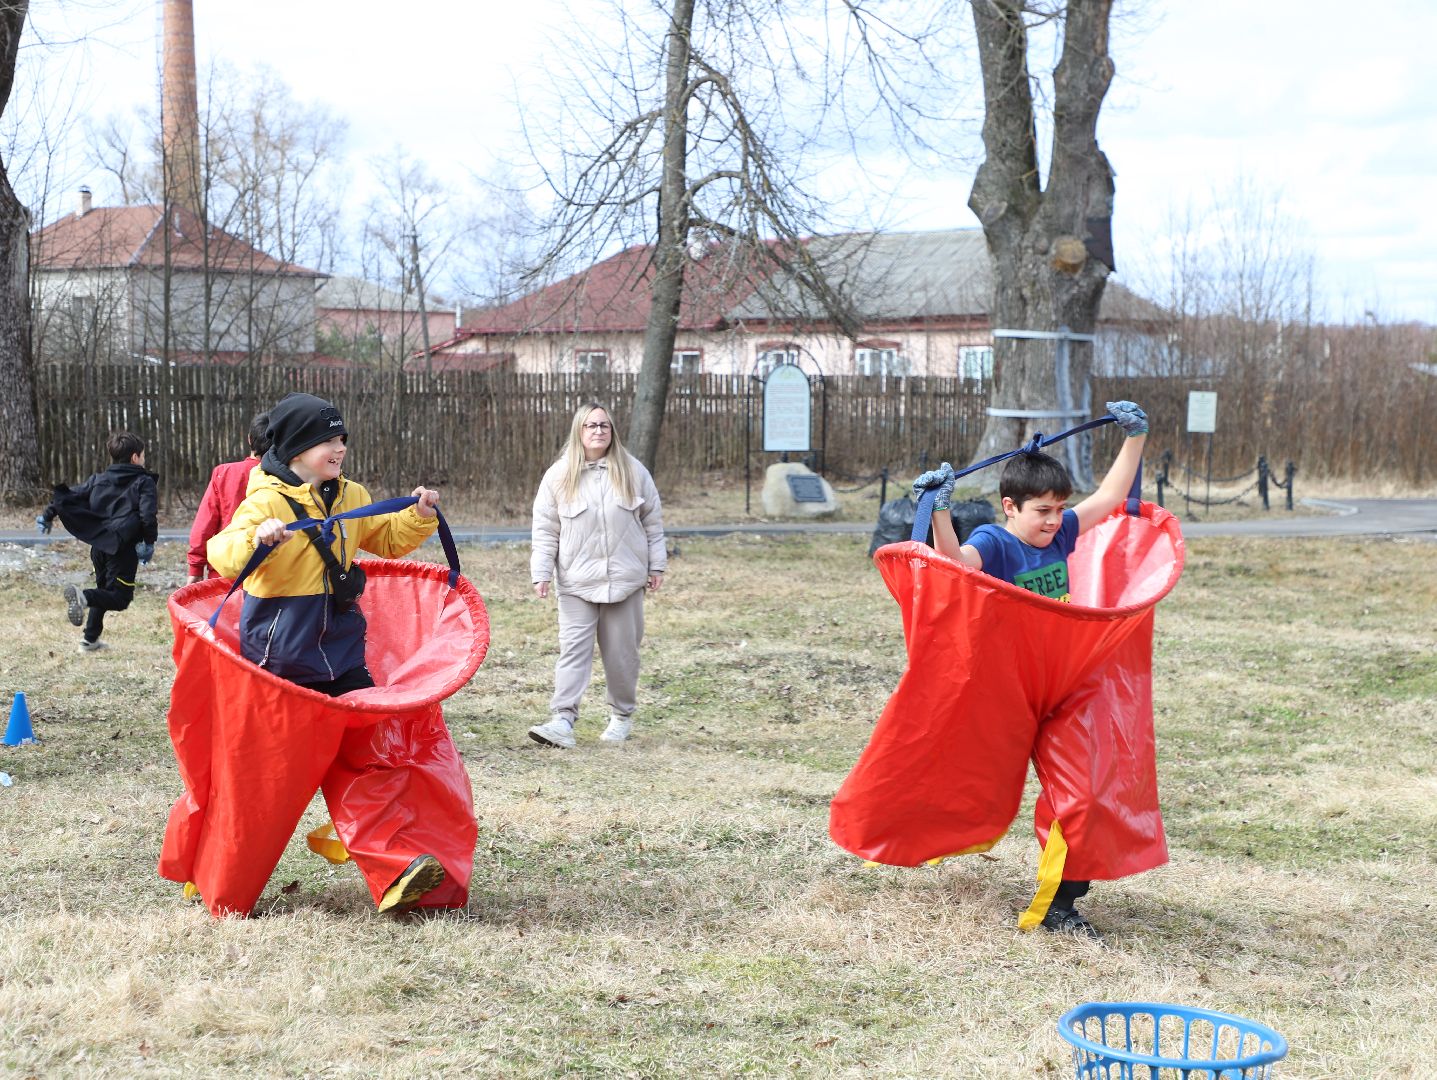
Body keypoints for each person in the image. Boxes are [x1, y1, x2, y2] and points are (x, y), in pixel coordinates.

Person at [913, 400, 1149, 938]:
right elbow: (954, 566)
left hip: (1062, 687)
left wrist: (1135, 437)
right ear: (1010, 507)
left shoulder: (1062, 532)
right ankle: (924, 840)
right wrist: (940, 509)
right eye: (1041, 510)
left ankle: (1063, 904)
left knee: (1082, 793)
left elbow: (1110, 497)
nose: (1053, 520)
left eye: (1059, 508)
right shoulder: (993, 542)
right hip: (1006, 690)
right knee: (962, 777)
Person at [206, 392, 449, 912]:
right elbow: (222, 552)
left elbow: (384, 537)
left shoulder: (350, 494)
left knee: (368, 754)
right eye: (327, 441)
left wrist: (420, 515)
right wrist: (260, 540)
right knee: (271, 778)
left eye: (342, 439)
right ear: (296, 448)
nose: (339, 448)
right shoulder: (266, 501)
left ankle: (391, 869)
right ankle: (222, 877)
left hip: (342, 648)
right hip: (281, 655)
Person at [528, 402, 666, 749]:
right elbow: (545, 530)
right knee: (572, 651)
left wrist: (656, 565)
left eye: (604, 426)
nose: (598, 431)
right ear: (579, 430)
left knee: (622, 655)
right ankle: (562, 720)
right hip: (576, 582)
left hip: (625, 581)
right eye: (591, 425)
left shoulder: (633, 471)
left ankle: (621, 717)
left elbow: (653, 523)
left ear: (612, 431)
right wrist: (541, 572)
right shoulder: (559, 476)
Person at [37, 431, 158, 654]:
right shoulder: (144, 482)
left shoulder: (98, 480)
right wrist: (148, 543)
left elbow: (69, 496)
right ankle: (84, 597)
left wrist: (47, 515)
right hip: (122, 548)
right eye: (142, 455)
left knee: (104, 589)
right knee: (120, 598)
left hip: (99, 547)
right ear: (134, 458)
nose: (144, 459)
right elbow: (148, 516)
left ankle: (89, 640)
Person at [186, 411, 271, 584]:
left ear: (249, 439)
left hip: (225, 572)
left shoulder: (224, 474)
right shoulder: (289, 478)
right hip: (268, 577)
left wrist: (195, 567)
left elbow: (204, 525)